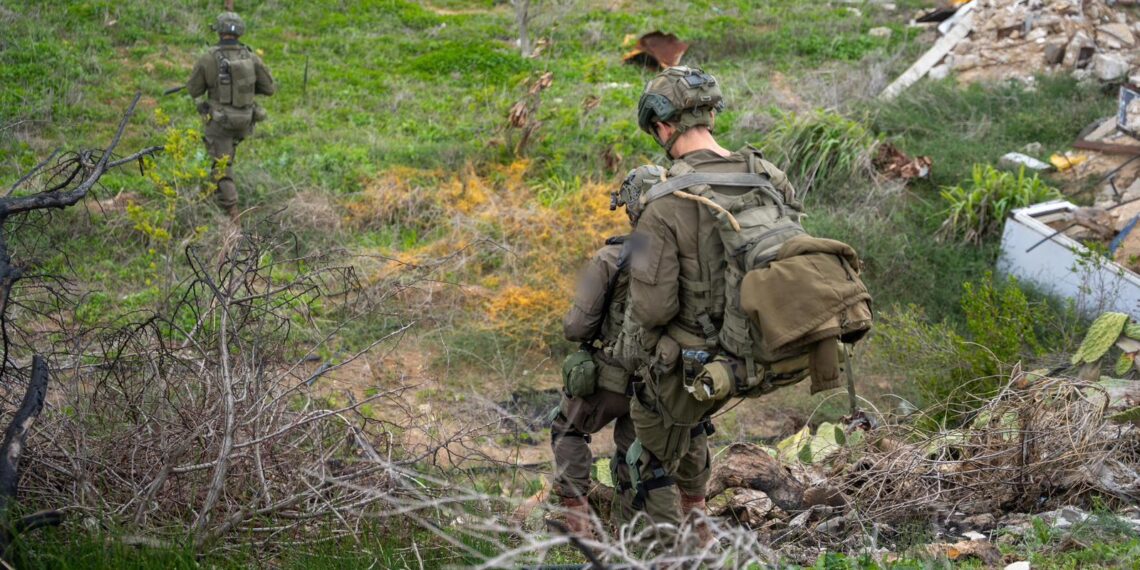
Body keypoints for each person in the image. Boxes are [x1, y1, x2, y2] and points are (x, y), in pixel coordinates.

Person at [614, 66, 799, 539]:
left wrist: (628, 355)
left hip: (696, 359)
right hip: (760, 347)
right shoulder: (768, 176)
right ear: (711, 115)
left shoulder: (663, 202)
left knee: (644, 450)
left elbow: (653, 309)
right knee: (689, 423)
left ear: (662, 126)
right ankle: (698, 524)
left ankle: (661, 554)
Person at [550, 164, 665, 540]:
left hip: (611, 377)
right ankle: (630, 534)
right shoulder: (685, 259)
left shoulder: (611, 257)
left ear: (631, 208)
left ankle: (578, 520)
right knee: (636, 456)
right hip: (659, 380)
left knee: (566, 429)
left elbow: (576, 328)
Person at [186, 11, 276, 220]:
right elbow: (269, 88)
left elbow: (194, 90)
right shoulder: (251, 57)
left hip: (220, 123)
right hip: (245, 121)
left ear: (218, 31)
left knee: (222, 167)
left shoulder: (208, 58)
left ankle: (233, 216)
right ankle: (210, 199)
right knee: (223, 160)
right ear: (240, 32)